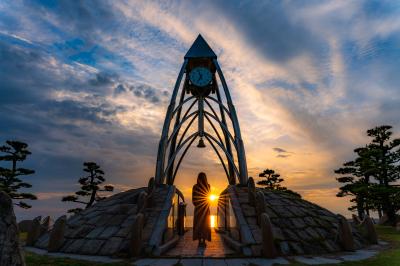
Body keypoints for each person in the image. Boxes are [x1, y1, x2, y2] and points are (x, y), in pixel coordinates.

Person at [192, 172, 211, 247]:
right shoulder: (208, 186)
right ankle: (203, 240)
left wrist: (197, 205)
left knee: (198, 225)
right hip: (205, 209)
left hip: (198, 209)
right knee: (205, 225)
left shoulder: (195, 187)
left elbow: (193, 199)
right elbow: (209, 198)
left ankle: (200, 241)